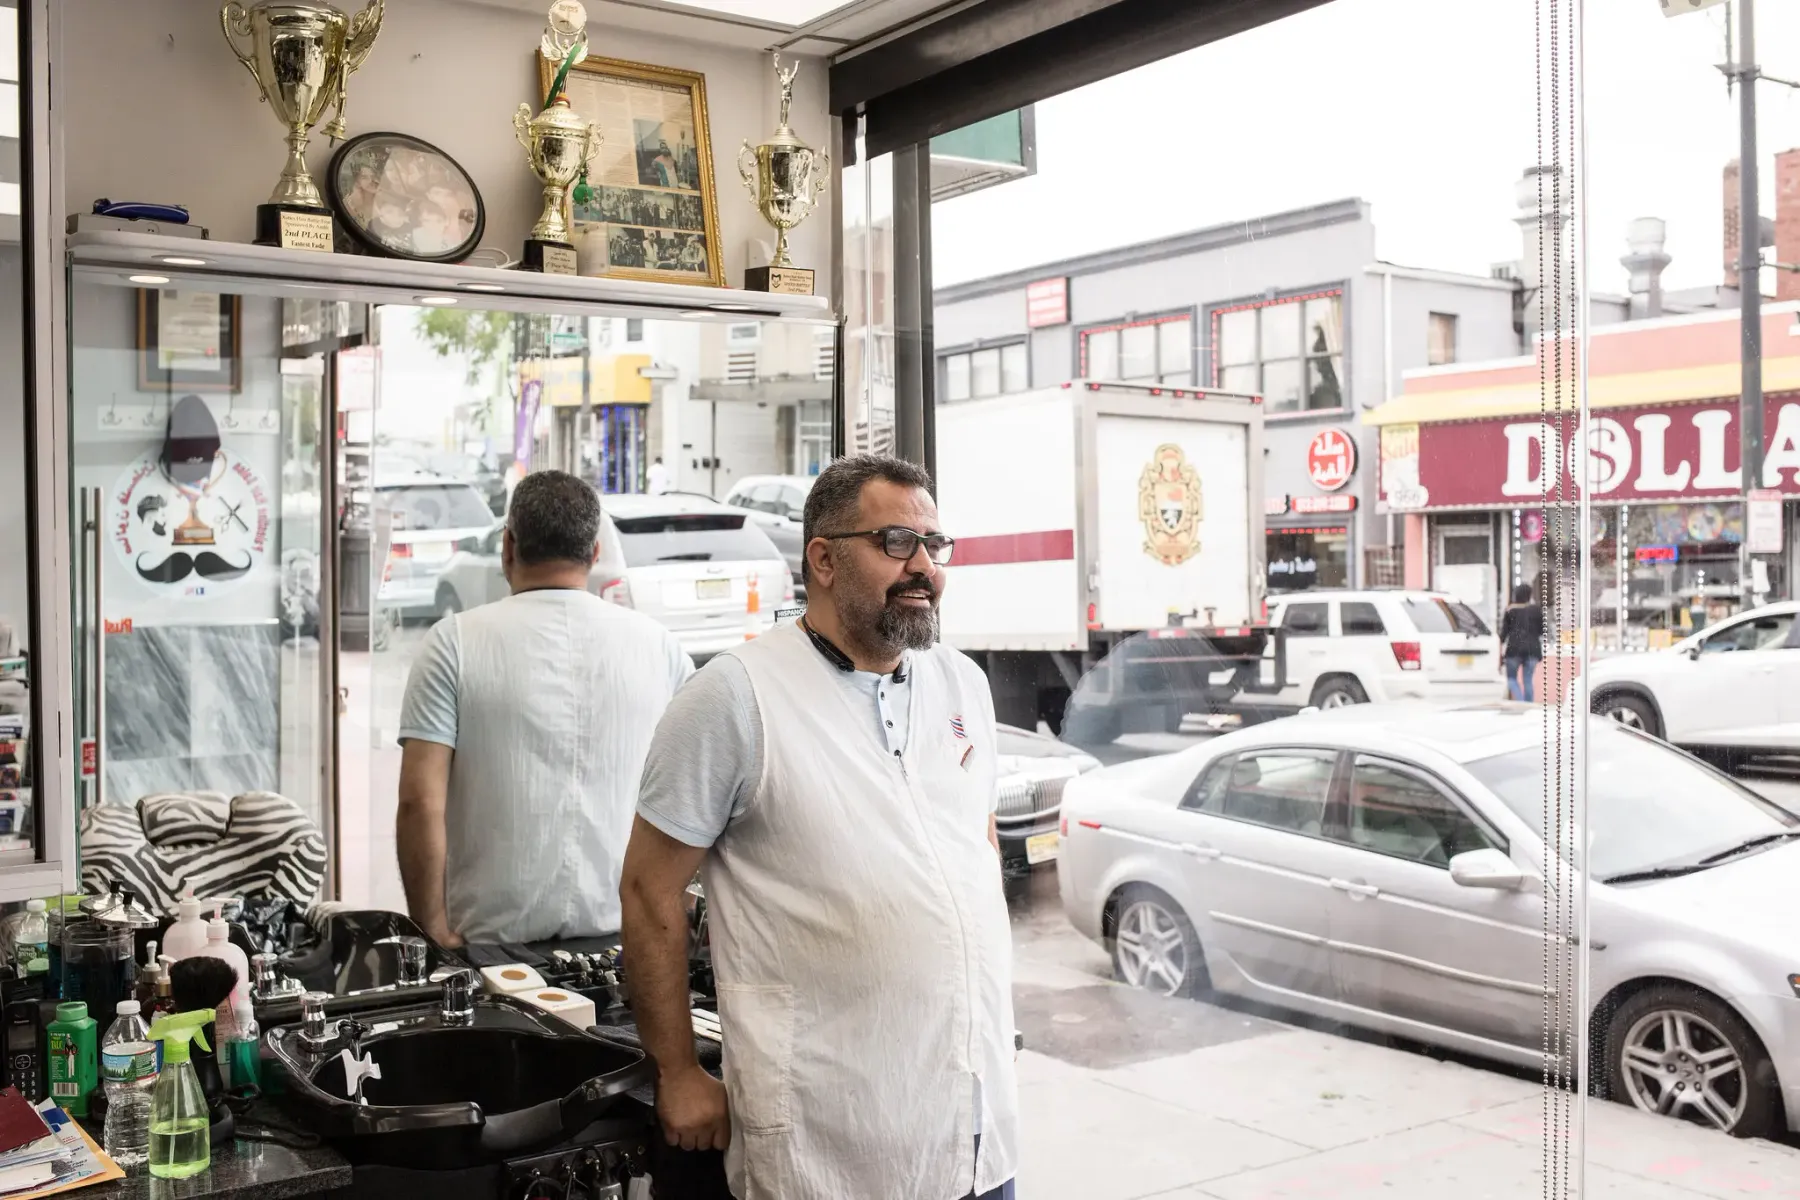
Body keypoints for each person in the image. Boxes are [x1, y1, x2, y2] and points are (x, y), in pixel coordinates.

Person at [621, 454, 1017, 1200]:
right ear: (824, 560)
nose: (924, 566)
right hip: (829, 1140)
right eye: (897, 542)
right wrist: (677, 1072)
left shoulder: (963, 683)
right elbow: (647, 891)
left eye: (936, 546)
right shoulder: (734, 698)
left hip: (975, 1129)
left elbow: (978, 843)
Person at [396, 470, 692, 947]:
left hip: (490, 950)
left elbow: (418, 801)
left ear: (507, 546)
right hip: (628, 942)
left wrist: (430, 927)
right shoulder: (661, 648)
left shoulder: (453, 644)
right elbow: (692, 797)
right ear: (595, 553)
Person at [1500, 582, 1545, 702]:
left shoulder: (1510, 610)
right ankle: (1529, 705)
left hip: (1514, 650)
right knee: (1528, 680)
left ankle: (1520, 702)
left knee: (1511, 679)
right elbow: (1542, 630)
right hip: (1533, 650)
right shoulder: (1536, 610)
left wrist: (1498, 646)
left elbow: (1504, 633)